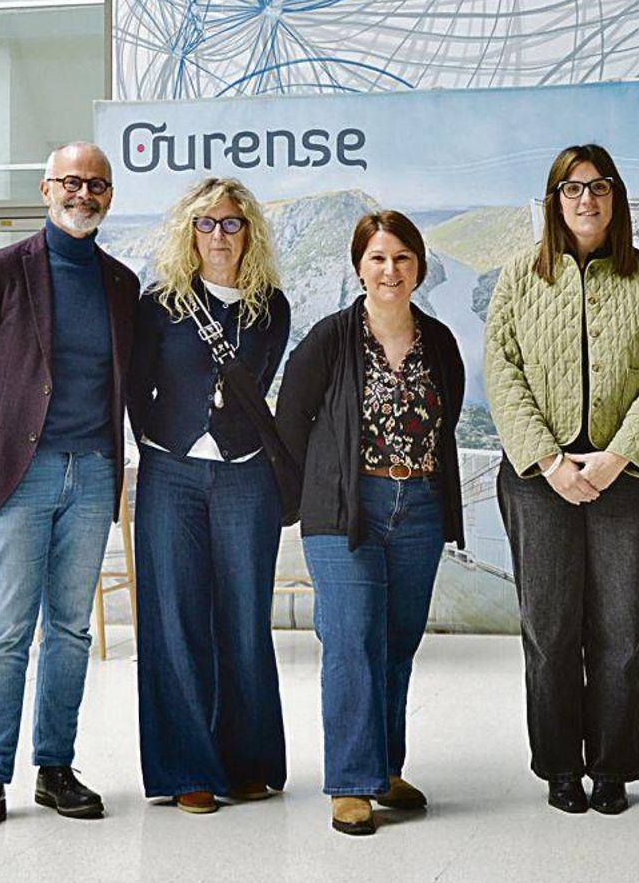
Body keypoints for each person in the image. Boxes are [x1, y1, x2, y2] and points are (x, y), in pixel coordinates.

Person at [0, 142, 138, 835]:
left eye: (98, 185)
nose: (85, 194)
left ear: (110, 196)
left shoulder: (120, 283)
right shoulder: (0, 272)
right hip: (21, 477)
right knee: (5, 632)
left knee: (71, 630)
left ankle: (56, 769)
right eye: (72, 182)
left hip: (93, 474)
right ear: (46, 188)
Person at [484, 144, 639, 816]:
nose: (586, 200)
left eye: (599, 187)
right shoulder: (519, 277)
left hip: (625, 478)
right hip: (538, 478)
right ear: (554, 201)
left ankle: (611, 767)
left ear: (616, 198)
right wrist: (548, 460)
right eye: (572, 189)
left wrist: (618, 455)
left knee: (623, 632)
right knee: (548, 630)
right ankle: (559, 768)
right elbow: (502, 371)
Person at [274, 211, 466, 836]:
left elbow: (449, 414)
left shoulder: (438, 342)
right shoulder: (330, 339)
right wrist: (309, 499)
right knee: (353, 638)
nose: (391, 270)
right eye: (379, 258)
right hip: (343, 513)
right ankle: (352, 782)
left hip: (420, 508)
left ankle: (385, 767)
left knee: (398, 642)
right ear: (360, 266)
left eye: (403, 258)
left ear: (419, 267)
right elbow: (292, 422)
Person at [128, 177, 291, 814]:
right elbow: (137, 385)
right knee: (173, 619)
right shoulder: (158, 304)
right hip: (169, 474)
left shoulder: (270, 307)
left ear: (248, 231)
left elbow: (262, 381)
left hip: (245, 474)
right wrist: (161, 442)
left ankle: (247, 763)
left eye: (230, 224)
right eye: (205, 224)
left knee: (245, 618)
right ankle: (186, 769)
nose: (218, 236)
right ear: (188, 233)